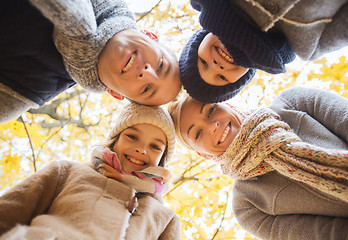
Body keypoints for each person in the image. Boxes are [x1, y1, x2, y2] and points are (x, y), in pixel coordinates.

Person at [168, 86, 348, 239]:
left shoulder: (293, 102)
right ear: (203, 154)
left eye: (210, 111)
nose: (212, 126)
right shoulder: (247, 207)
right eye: (198, 134)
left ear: (228, 104)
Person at [0, 102, 180, 240]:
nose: (142, 149)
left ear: (162, 159)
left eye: (155, 146)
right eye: (132, 136)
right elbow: (6, 214)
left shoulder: (165, 218)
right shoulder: (66, 171)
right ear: (115, 139)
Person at [0, 0, 182, 123]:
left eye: (146, 89)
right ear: (149, 35)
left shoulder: (26, 89)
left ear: (115, 94)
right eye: (161, 66)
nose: (147, 73)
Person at [179, 0, 348, 103]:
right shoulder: (309, 48)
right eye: (221, 77)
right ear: (244, 77)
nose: (216, 66)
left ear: (199, 40)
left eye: (203, 62)